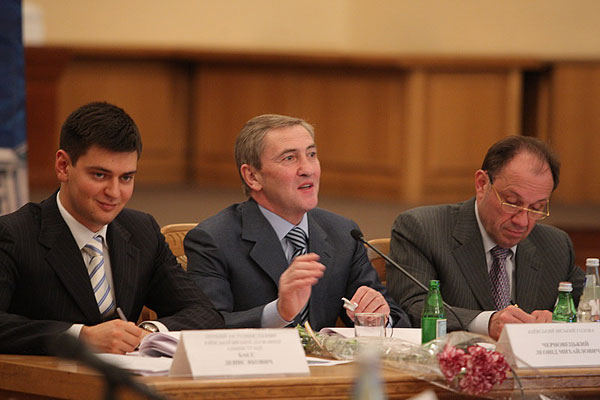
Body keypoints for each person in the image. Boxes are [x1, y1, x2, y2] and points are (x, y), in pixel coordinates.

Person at [0, 102, 224, 355]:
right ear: (63, 166)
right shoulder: (13, 234)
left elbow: (204, 313)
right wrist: (79, 337)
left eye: (126, 178)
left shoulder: (142, 231)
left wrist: (147, 332)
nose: (114, 193)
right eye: (100, 175)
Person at [185, 114, 410, 329]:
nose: (308, 169)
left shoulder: (343, 233)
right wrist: (278, 313)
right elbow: (207, 327)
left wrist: (377, 317)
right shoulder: (214, 240)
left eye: (311, 154)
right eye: (289, 158)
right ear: (252, 176)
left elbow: (396, 320)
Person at [387, 135, 585, 340]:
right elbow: (412, 307)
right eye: (512, 202)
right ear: (482, 184)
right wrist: (486, 323)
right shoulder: (423, 229)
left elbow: (590, 305)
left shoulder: (555, 245)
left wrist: (561, 321)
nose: (522, 221)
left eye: (537, 208)